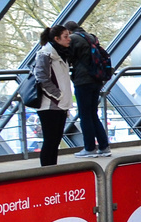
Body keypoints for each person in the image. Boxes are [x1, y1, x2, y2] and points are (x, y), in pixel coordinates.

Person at [64, 20, 111, 158]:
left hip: (83, 80)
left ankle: (89, 148)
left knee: (85, 115)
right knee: (93, 114)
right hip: (96, 78)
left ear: (70, 32)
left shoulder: (74, 39)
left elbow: (69, 57)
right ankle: (104, 146)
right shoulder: (90, 37)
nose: (67, 39)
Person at [33, 25, 73, 166]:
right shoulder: (45, 55)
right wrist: (58, 95)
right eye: (65, 36)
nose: (69, 39)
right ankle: (47, 170)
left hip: (59, 104)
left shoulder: (62, 54)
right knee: (50, 140)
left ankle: (52, 169)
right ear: (56, 39)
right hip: (49, 105)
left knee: (55, 140)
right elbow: (42, 78)